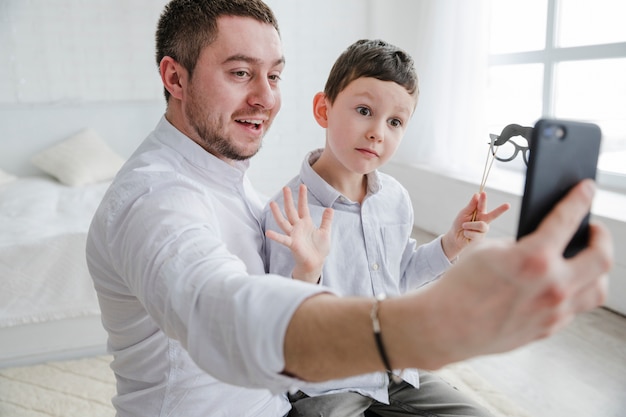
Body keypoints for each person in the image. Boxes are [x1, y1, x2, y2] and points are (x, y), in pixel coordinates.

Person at [85, 1, 613, 416]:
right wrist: (433, 325)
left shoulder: (224, 176)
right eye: (240, 73)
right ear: (175, 79)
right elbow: (221, 312)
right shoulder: (156, 199)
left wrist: (447, 250)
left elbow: (391, 270)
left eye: (274, 76)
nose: (266, 98)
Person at [261, 39, 509, 417]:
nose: (378, 131)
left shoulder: (394, 197)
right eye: (364, 110)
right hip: (327, 383)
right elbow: (282, 324)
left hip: (395, 371)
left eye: (395, 122)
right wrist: (307, 274)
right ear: (322, 109)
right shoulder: (288, 209)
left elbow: (401, 274)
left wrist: (450, 244)